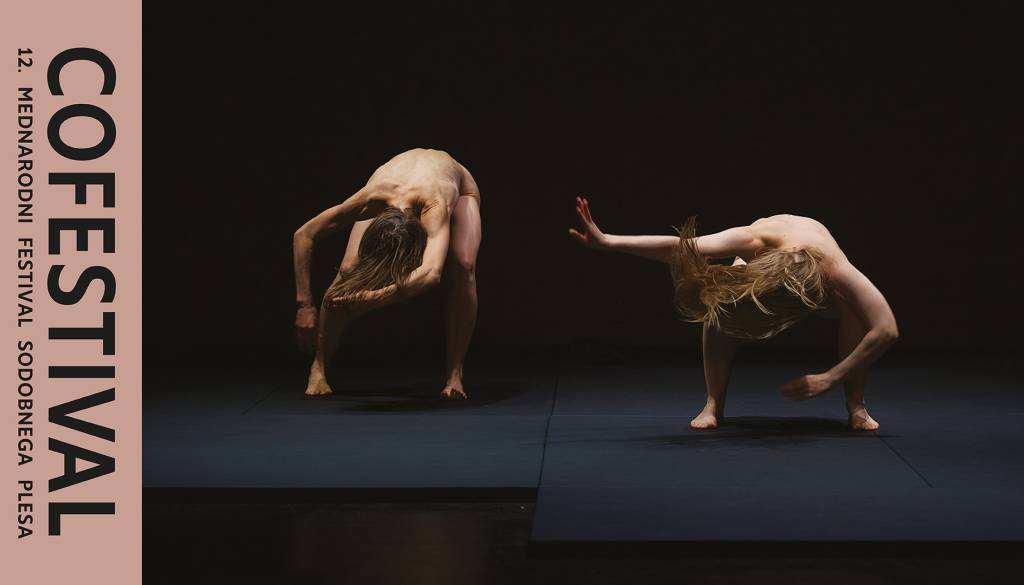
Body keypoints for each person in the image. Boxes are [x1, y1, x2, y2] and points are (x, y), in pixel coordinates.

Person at [568, 197, 898, 431]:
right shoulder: (752, 241)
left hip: (814, 281)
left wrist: (831, 377)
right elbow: (683, 248)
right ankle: (713, 403)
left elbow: (886, 329)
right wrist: (609, 241)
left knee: (854, 310)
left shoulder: (835, 269)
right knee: (718, 302)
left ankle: (856, 405)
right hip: (762, 270)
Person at [293, 148, 482, 400]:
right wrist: (304, 304)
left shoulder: (435, 205)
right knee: (348, 269)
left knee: (464, 266)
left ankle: (454, 375)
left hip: (457, 186)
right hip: (391, 185)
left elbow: (431, 274)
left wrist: (374, 298)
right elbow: (303, 235)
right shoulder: (369, 200)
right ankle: (319, 367)